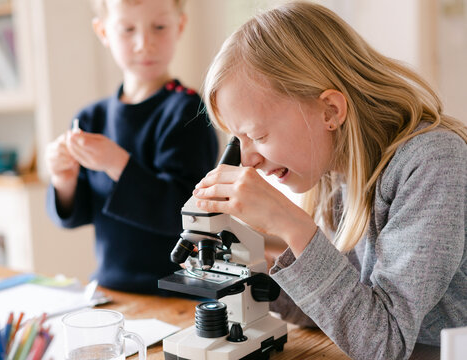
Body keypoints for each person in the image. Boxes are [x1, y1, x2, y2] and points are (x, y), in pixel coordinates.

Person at [193, 2, 466, 359]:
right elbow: (347, 309)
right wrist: (248, 272)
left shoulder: (433, 161)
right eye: (237, 141)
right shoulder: (339, 172)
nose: (247, 161)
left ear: (330, 111)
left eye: (257, 136)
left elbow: (385, 343)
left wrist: (291, 224)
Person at [45, 0, 218, 294]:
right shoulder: (91, 117)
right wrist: (63, 178)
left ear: (180, 26)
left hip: (176, 292)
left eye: (159, 27)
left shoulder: (187, 112)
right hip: (109, 287)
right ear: (103, 32)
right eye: (127, 29)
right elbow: (79, 213)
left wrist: (118, 164)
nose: (144, 44)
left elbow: (187, 213)